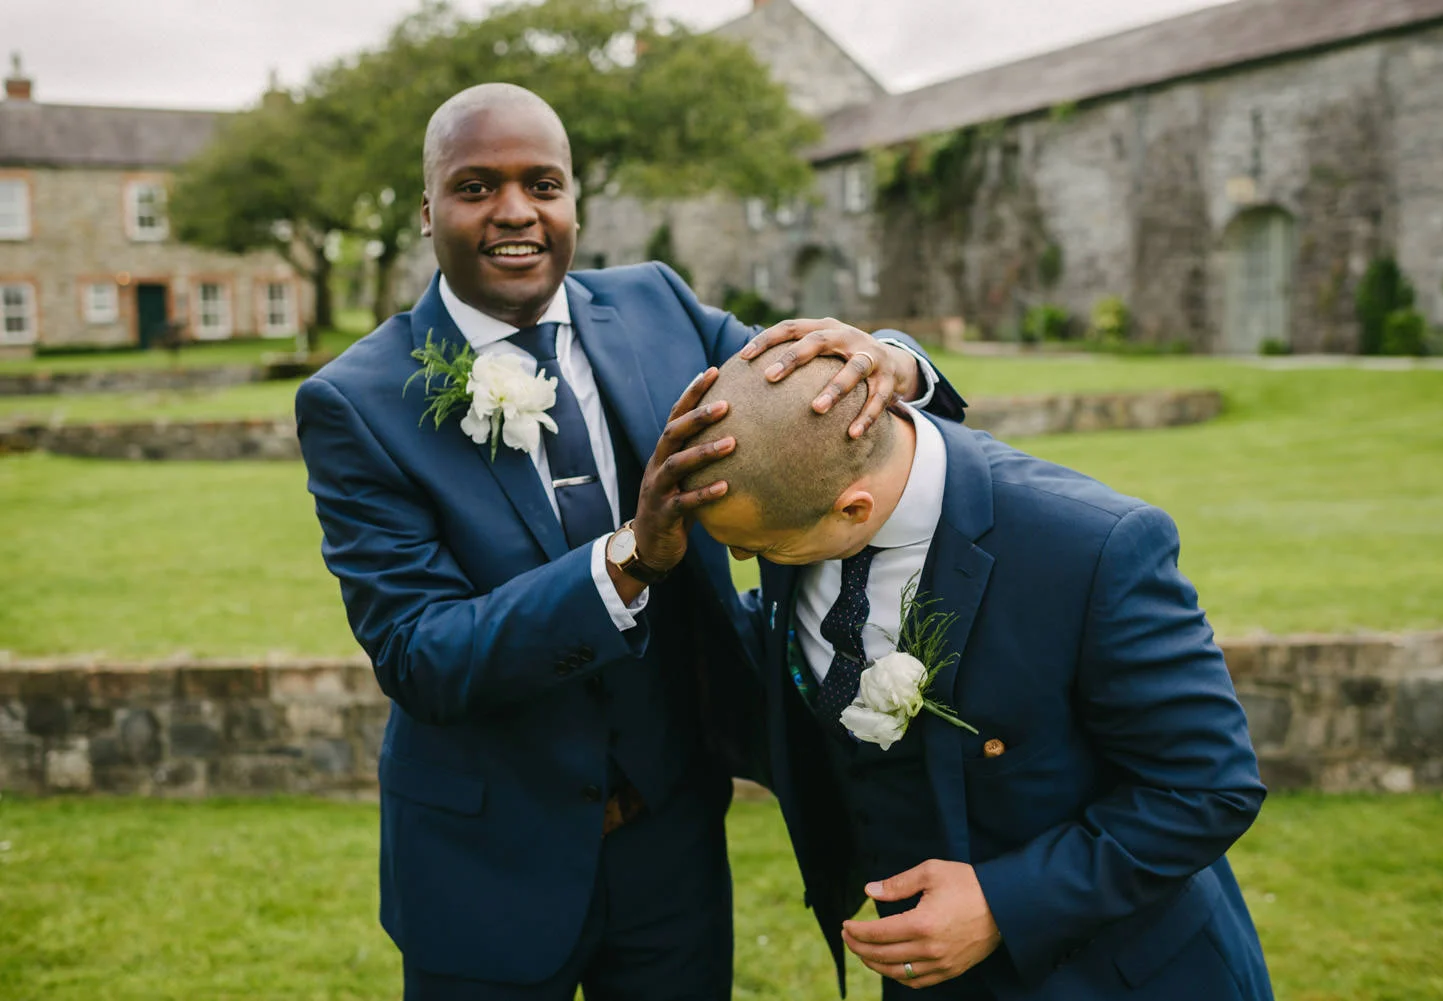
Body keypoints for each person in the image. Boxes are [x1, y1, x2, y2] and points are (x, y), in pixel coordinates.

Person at [293, 83, 964, 1001]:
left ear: (574, 201)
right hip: (485, 863)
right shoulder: (356, 401)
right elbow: (421, 654)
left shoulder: (658, 306)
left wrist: (892, 359)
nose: (516, 211)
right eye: (477, 186)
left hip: (672, 847)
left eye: (544, 183)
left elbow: (812, 376)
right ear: (426, 209)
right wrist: (629, 559)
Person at [683, 356, 1274, 1000]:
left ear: (855, 509)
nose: (745, 559)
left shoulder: (1094, 548)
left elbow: (1208, 788)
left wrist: (1002, 904)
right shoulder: (799, 478)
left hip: (1115, 974)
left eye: (759, 549)